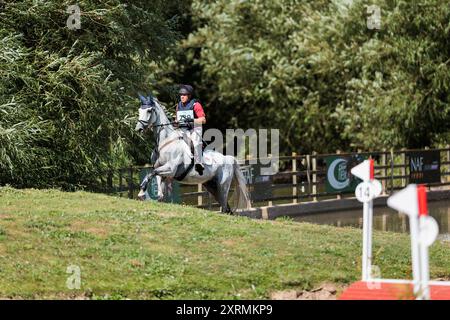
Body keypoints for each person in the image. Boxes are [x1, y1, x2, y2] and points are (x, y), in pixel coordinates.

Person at [175, 84, 206, 175]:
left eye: (184, 95)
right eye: (181, 95)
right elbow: (177, 119)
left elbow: (203, 120)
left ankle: (198, 164)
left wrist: (192, 120)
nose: (182, 97)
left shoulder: (196, 105)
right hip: (183, 128)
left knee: (196, 143)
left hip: (195, 128)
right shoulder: (178, 106)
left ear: (189, 96)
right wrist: (175, 122)